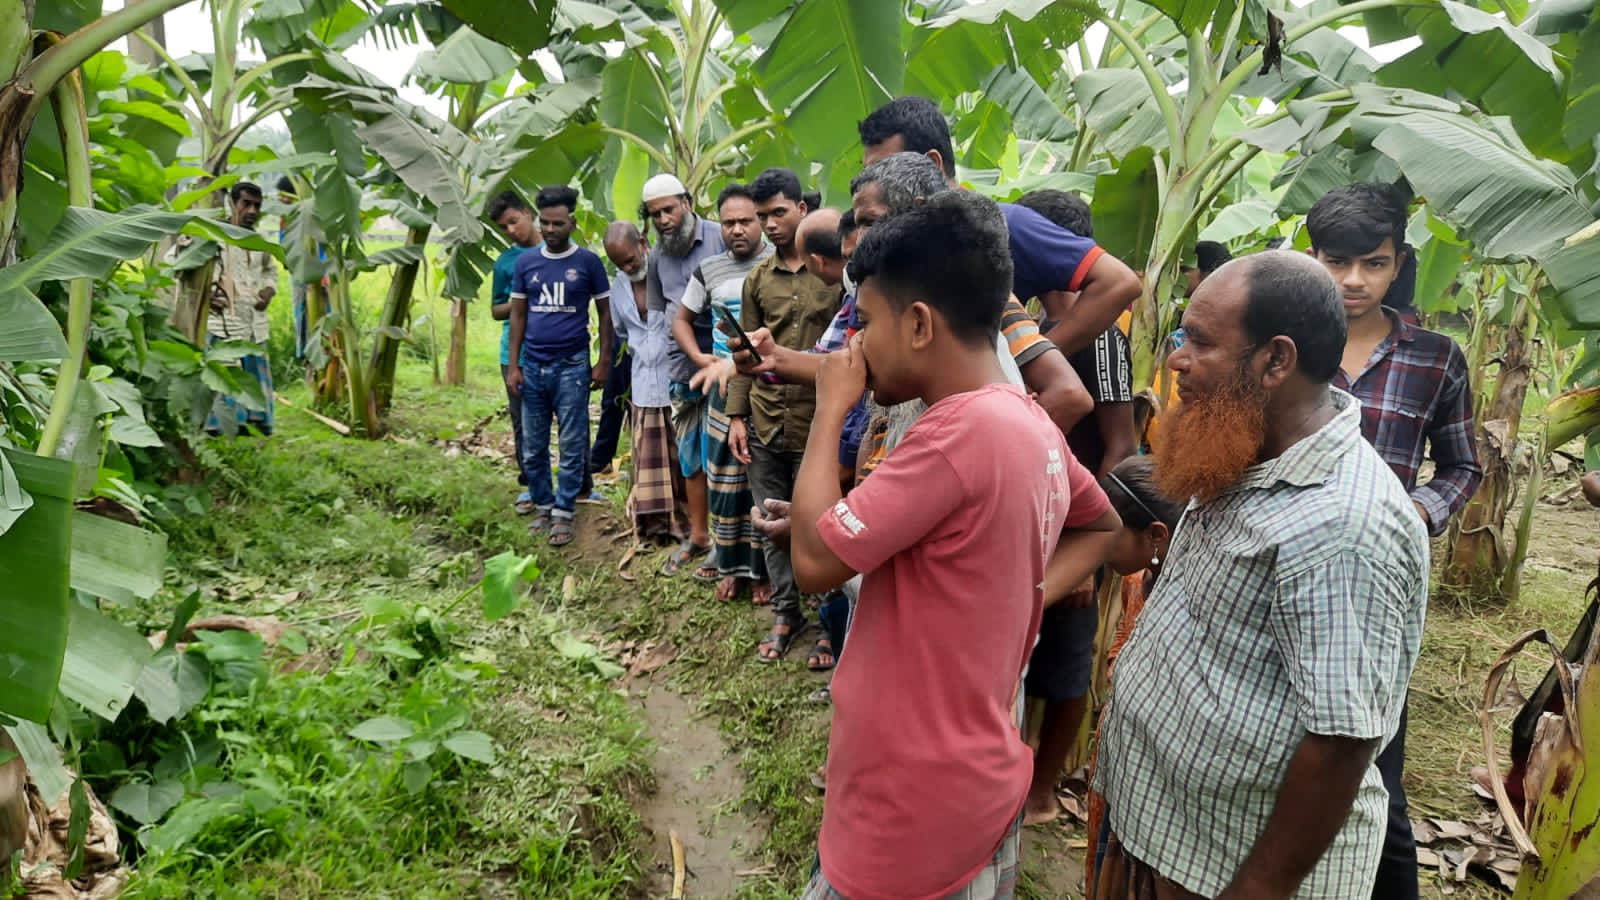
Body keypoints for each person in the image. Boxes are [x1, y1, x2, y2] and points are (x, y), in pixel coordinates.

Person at [787, 190, 1119, 900]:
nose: (854, 346)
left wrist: (830, 409)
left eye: (865, 322)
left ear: (917, 324)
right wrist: (1019, 594)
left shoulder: (952, 435)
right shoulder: (1025, 419)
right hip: (975, 783)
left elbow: (813, 562)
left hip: (909, 805)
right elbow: (1100, 526)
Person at [1095, 251, 1430, 899]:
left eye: (1199, 342)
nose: (1177, 359)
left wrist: (1257, 889)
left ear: (1276, 361)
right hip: (1167, 830)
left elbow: (1342, 739)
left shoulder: (1343, 524)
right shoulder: (1240, 447)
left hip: (1226, 868)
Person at [1308, 183, 1483, 900]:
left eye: (1374, 264)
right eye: (1337, 262)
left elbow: (1464, 465)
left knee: (1375, 766)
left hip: (1381, 587)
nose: (1354, 280)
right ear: (1313, 257)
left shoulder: (1436, 358)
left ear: (1399, 264)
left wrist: (1416, 512)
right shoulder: (1285, 340)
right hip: (1290, 569)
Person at [1011, 188, 1137, 825]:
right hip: (1028, 511)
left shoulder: (1103, 341)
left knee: (1065, 657)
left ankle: (1043, 788)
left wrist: (1087, 548)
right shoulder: (1024, 324)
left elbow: (1120, 447)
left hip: (1075, 523)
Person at [856, 95, 1141, 358]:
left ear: (932, 163)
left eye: (884, 168)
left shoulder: (1005, 224)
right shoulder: (891, 242)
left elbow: (1118, 282)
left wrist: (1033, 362)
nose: (873, 182)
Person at [724, 167, 841, 663]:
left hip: (820, 422)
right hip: (766, 419)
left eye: (778, 212)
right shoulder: (757, 279)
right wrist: (736, 416)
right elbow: (745, 355)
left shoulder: (833, 273)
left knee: (822, 523)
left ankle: (829, 623)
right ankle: (785, 612)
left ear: (801, 209)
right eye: (762, 215)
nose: (769, 224)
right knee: (770, 519)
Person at [1076, 456, 1188, 890]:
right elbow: (1123, 636)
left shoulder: (1190, 600)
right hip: (1117, 754)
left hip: (1156, 780)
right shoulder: (1136, 581)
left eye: (1109, 533)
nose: (1098, 544)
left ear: (1156, 536)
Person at [676, 184, 775, 605]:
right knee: (723, 481)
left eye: (746, 221)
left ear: (760, 222)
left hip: (769, 387)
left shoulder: (777, 264)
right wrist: (702, 359)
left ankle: (763, 571)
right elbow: (681, 319)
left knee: (762, 481)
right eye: (729, 222)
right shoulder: (709, 270)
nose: (737, 230)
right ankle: (731, 567)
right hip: (721, 390)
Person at [505, 185, 615, 548]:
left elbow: (605, 313)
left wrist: (603, 361)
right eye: (545, 223)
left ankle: (564, 511)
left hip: (572, 367)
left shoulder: (588, 263)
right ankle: (543, 505)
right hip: (533, 366)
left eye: (558, 223)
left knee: (571, 442)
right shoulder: (526, 263)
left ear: (572, 223)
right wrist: (514, 366)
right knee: (533, 445)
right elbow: (518, 314)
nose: (550, 230)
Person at [642, 173, 728, 577]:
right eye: (654, 214)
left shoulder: (720, 237)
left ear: (687, 203)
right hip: (682, 366)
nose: (663, 220)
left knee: (724, 458)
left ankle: (726, 542)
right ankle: (699, 536)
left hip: (725, 362)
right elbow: (661, 312)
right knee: (691, 457)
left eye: (668, 210)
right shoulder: (657, 256)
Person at [602, 222, 688, 544]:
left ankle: (684, 527)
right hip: (642, 382)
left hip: (675, 377)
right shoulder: (619, 286)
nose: (627, 267)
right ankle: (653, 530)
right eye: (619, 264)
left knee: (680, 459)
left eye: (629, 259)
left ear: (642, 242)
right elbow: (622, 331)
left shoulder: (668, 273)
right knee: (648, 459)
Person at [204, 181, 278, 436]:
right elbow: (179, 263)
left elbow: (270, 271)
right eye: (246, 204)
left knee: (253, 370)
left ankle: (256, 421)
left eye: (257, 205)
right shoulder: (213, 237)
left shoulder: (259, 242)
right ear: (233, 204)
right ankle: (219, 425)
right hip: (222, 320)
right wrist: (206, 294)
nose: (252, 211)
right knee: (224, 371)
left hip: (254, 320)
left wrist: (269, 290)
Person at [489, 191, 543, 514]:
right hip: (515, 354)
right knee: (522, 422)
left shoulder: (556, 250)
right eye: (503, 227)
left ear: (527, 213)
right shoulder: (505, 262)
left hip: (554, 350)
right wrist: (521, 300)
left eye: (513, 221)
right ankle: (532, 485)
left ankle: (577, 484)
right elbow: (496, 309)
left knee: (567, 420)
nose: (510, 230)